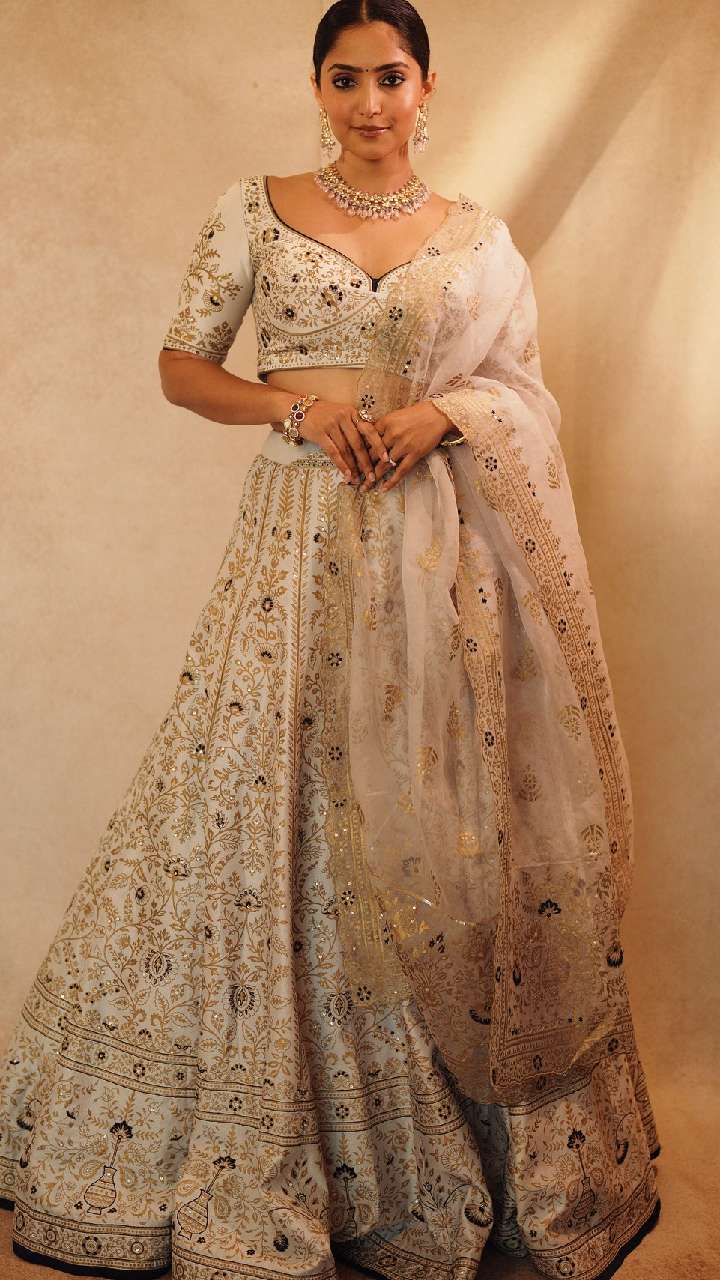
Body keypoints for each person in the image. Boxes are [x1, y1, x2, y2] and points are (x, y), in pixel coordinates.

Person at [0, 2, 662, 1277]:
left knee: (436, 813)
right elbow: (182, 365)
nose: (370, 103)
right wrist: (297, 411)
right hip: (294, 548)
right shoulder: (253, 211)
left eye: (391, 78)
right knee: (265, 805)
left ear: (428, 87)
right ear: (317, 85)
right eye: (347, 78)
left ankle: (446, 1143)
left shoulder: (478, 240)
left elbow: (522, 392)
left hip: (436, 556)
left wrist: (445, 415)